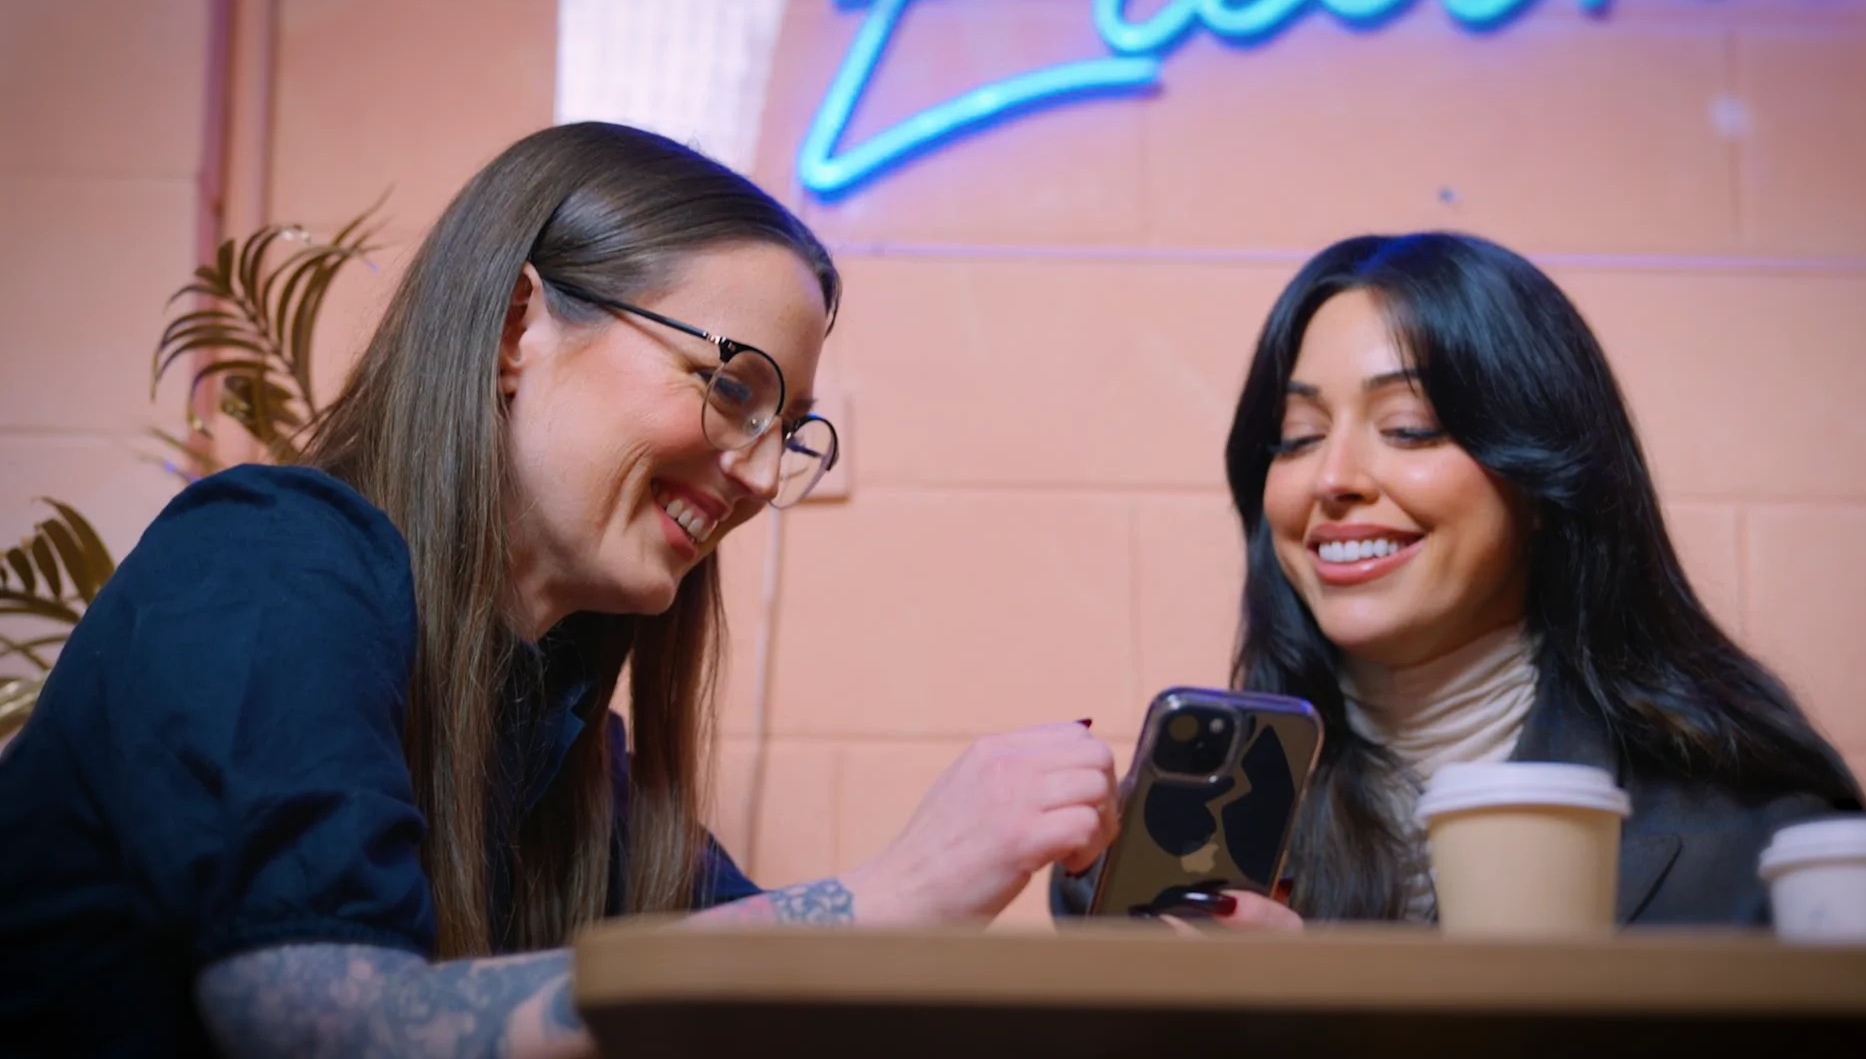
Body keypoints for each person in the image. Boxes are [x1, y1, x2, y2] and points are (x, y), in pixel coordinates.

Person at [0, 122, 1119, 1058]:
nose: (766, 475)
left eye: (789, 430)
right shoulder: (270, 564)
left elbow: (776, 1002)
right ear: (514, 327)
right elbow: (326, 1030)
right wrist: (899, 890)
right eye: (732, 385)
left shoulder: (567, 745)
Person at [1057, 231, 1863, 926]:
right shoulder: (1164, 859)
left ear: (1542, 479)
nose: (1333, 477)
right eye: (1297, 437)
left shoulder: (1755, 840)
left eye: (1409, 429)